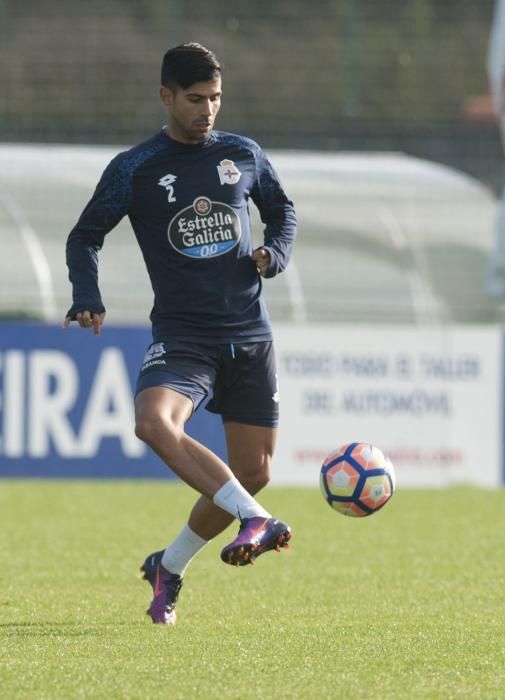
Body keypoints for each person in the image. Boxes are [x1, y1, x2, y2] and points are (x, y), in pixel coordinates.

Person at [64, 42, 297, 625]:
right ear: (166, 96)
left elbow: (283, 210)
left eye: (216, 98)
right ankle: (254, 518)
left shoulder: (242, 153)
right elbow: (84, 236)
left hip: (249, 332)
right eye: (195, 99)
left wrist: (276, 252)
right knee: (151, 421)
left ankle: (167, 567)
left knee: (257, 470)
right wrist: (87, 295)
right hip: (185, 335)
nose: (208, 110)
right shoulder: (135, 168)